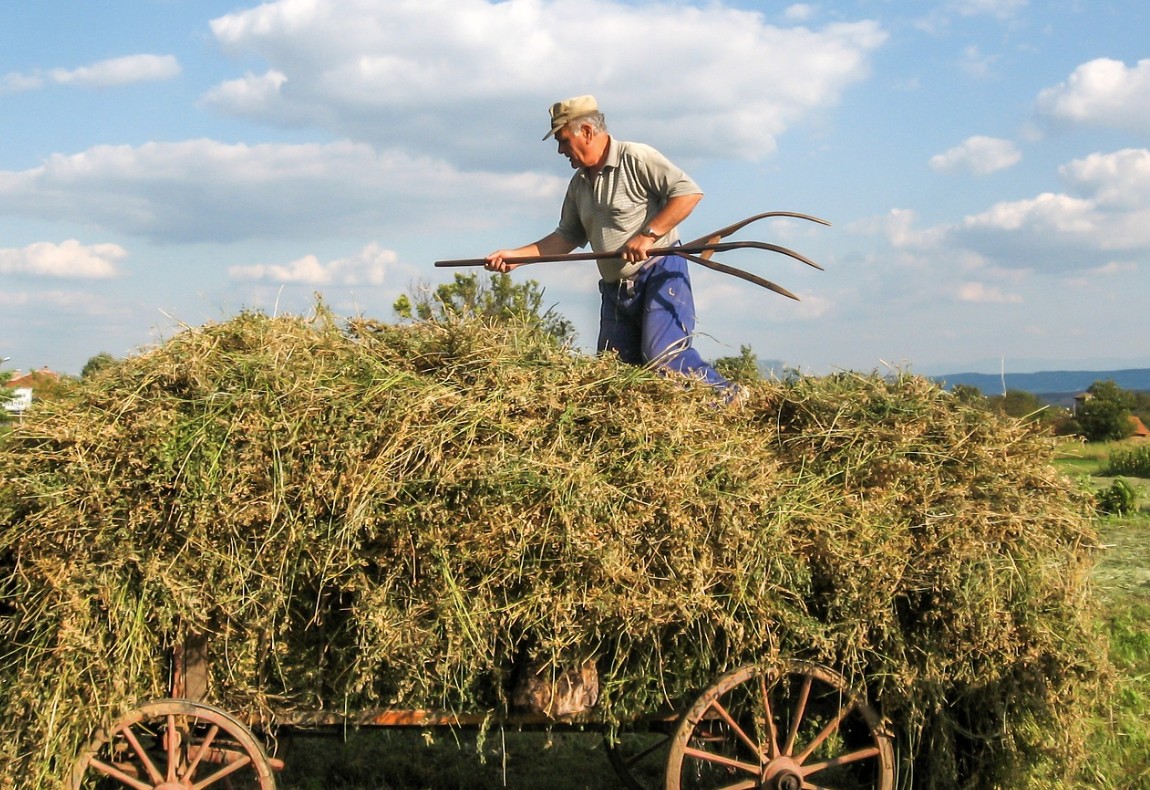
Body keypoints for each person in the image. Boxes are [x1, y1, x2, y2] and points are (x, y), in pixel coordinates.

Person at [486, 95, 736, 395]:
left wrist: (649, 235)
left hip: (658, 273)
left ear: (587, 132)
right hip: (615, 289)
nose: (560, 150)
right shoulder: (579, 185)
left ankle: (728, 396)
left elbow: (688, 194)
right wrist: (516, 257)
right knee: (614, 375)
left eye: (563, 140)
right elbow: (565, 238)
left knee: (664, 356)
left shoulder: (636, 157)